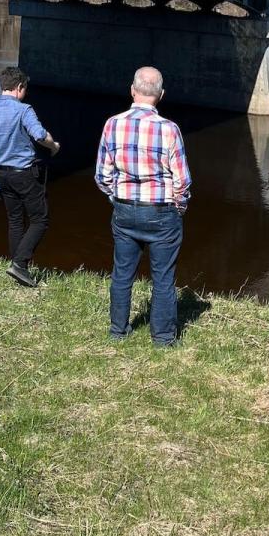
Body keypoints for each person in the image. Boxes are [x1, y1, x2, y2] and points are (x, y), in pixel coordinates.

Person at [94, 66, 191, 347]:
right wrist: (178, 208)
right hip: (162, 212)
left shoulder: (112, 124)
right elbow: (182, 181)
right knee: (163, 278)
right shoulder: (169, 129)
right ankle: (162, 339)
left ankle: (118, 331)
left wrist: (117, 197)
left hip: (124, 208)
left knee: (122, 273)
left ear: (132, 90)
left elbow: (102, 176)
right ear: (161, 95)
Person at [0, 66, 60, 287]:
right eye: (25, 89)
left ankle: (16, 269)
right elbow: (39, 134)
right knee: (40, 219)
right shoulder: (23, 110)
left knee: (14, 220)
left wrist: (2, 152)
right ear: (19, 87)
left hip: (1, 174)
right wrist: (53, 146)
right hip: (25, 173)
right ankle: (20, 264)